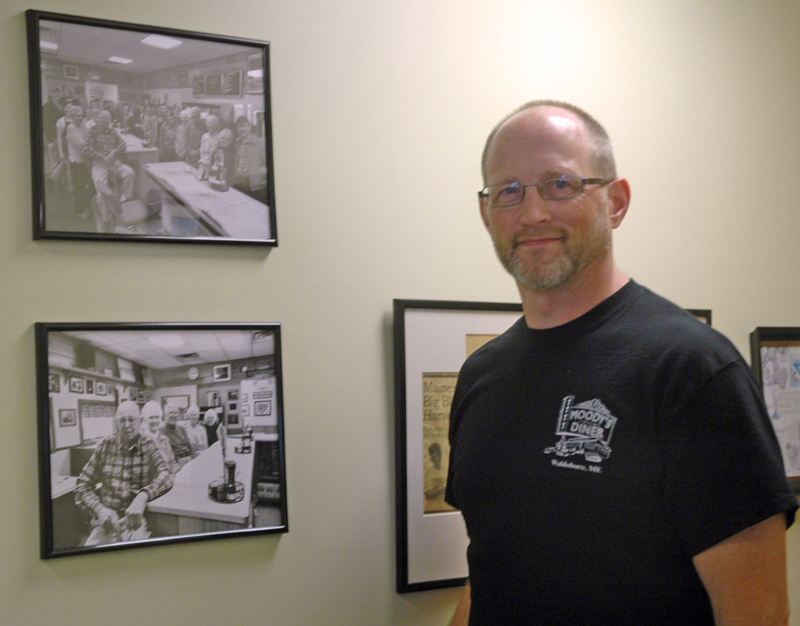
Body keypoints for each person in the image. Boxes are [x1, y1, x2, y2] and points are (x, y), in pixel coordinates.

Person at [445, 100, 799, 626]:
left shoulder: (693, 370)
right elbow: (492, 565)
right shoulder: (482, 375)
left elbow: (758, 613)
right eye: (508, 191)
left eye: (560, 184)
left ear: (616, 202)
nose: (532, 212)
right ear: (485, 212)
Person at [74, 401, 173, 546]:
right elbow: (82, 485)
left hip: (137, 521)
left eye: (131, 420)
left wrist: (143, 496)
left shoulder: (149, 444)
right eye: (122, 420)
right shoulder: (105, 445)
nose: (127, 425)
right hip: (107, 522)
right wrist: (99, 509)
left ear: (139, 422)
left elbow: (167, 473)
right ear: (116, 423)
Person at [83, 109, 135, 222]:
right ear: (98, 119)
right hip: (99, 164)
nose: (104, 121)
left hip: (113, 162)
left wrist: (113, 152)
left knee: (129, 173)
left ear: (110, 121)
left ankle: (124, 199)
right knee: (101, 193)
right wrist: (102, 156)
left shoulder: (112, 131)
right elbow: (86, 148)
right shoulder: (92, 131)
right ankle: (105, 218)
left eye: (106, 119)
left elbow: (123, 144)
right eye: (102, 118)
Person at [64, 106, 95, 219]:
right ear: (72, 117)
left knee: (93, 185)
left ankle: (84, 203)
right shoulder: (70, 128)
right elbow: (81, 145)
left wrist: (89, 144)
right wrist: (88, 145)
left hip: (85, 162)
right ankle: (80, 210)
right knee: (79, 188)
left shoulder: (83, 127)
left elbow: (89, 141)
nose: (79, 118)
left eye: (81, 116)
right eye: (77, 116)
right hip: (76, 163)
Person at [232, 115, 268, 204]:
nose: (242, 129)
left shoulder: (260, 142)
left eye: (244, 126)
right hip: (240, 181)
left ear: (250, 127)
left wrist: (261, 174)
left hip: (256, 184)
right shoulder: (237, 142)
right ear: (237, 128)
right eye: (240, 126)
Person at [140, 401, 180, 474]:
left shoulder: (164, 439)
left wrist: (176, 466)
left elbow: (172, 462)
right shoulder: (141, 440)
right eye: (151, 417)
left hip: (168, 477)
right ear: (145, 419)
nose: (154, 420)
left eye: (157, 417)